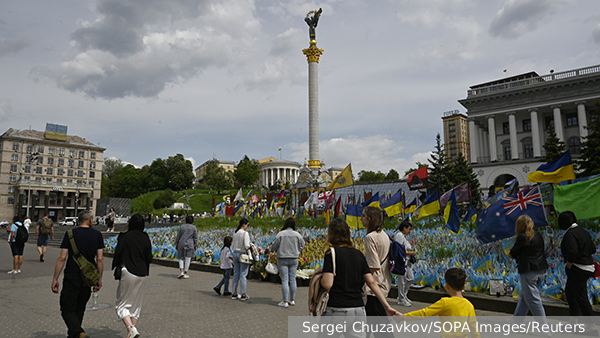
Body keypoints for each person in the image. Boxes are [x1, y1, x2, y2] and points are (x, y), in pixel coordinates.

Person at [319, 218, 400, 338]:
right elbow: (372, 282)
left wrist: (318, 277)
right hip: (358, 309)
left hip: (337, 308)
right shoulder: (358, 254)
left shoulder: (331, 253)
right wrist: (387, 306)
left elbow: (327, 284)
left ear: (331, 234)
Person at [52, 210, 104, 338]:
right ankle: (77, 334)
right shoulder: (97, 235)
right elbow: (100, 259)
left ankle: (78, 333)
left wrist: (55, 278)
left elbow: (62, 258)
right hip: (88, 277)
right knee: (80, 308)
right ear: (90, 220)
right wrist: (99, 278)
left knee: (67, 308)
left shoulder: (70, 234)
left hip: (72, 275)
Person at [402, 268, 479, 337]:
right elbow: (474, 329)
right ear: (464, 287)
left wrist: (404, 317)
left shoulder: (444, 302)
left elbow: (424, 313)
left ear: (447, 285)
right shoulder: (469, 305)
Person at [112, 213, 152, 338]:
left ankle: (130, 328)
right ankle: (131, 333)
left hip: (128, 270)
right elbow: (148, 256)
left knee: (122, 305)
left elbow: (118, 253)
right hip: (142, 273)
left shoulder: (125, 236)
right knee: (135, 306)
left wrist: (115, 266)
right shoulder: (145, 237)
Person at [359, 206, 395, 337]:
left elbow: (373, 266)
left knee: (380, 325)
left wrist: (360, 276)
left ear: (369, 219)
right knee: (371, 322)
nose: (361, 218)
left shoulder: (370, 237)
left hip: (375, 284)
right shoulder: (384, 235)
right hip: (385, 280)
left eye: (363, 216)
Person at [508, 215, 548, 322]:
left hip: (528, 271)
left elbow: (512, 254)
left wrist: (509, 251)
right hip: (540, 270)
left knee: (533, 300)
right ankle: (516, 321)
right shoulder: (538, 235)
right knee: (525, 297)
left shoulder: (522, 237)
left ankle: (544, 327)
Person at [558, 211, 596, 322]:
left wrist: (570, 263)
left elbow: (572, 252)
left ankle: (591, 326)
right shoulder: (584, 232)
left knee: (581, 297)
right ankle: (573, 321)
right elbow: (593, 249)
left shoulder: (570, 234)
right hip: (588, 266)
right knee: (570, 293)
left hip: (578, 268)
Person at [271, 217, 305, 308]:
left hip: (282, 258)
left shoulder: (281, 234)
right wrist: (297, 250)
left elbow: (274, 246)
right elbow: (303, 245)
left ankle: (285, 301)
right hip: (294, 258)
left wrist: (275, 250)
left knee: (285, 279)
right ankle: (292, 300)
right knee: (292, 279)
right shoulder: (297, 234)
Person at [393, 220, 417, 307]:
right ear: (404, 228)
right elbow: (399, 249)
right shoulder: (399, 236)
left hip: (407, 261)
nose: (410, 231)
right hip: (402, 261)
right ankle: (401, 299)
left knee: (410, 279)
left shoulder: (403, 236)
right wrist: (411, 253)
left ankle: (404, 295)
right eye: (409, 229)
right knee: (402, 281)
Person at [231, 218, 251, 301]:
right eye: (247, 225)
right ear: (244, 224)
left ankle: (234, 293)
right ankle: (243, 294)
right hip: (243, 254)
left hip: (235, 253)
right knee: (243, 274)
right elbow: (246, 245)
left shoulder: (235, 233)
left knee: (236, 274)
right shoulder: (245, 233)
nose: (247, 227)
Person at [175, 215, 198, 279]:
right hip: (190, 244)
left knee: (181, 258)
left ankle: (181, 271)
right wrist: (195, 245)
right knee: (188, 258)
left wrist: (176, 244)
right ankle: (185, 273)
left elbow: (178, 236)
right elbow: (195, 238)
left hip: (181, 243)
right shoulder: (193, 227)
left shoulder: (182, 227)